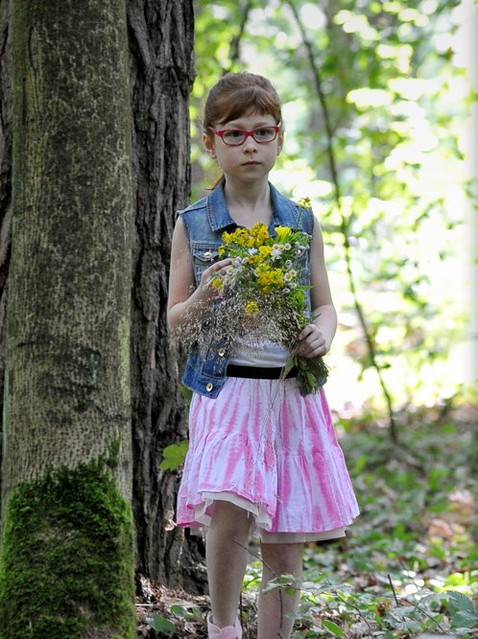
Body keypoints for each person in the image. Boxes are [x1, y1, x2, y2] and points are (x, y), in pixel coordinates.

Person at [166, 72, 359, 639]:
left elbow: (325, 306)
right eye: (234, 134)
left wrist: (322, 333)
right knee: (229, 516)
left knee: (286, 528)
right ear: (211, 143)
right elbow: (175, 320)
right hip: (228, 392)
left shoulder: (300, 222)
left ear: (279, 139)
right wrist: (206, 296)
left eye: (262, 132)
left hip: (289, 391)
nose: (249, 144)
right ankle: (222, 627)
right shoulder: (194, 224)